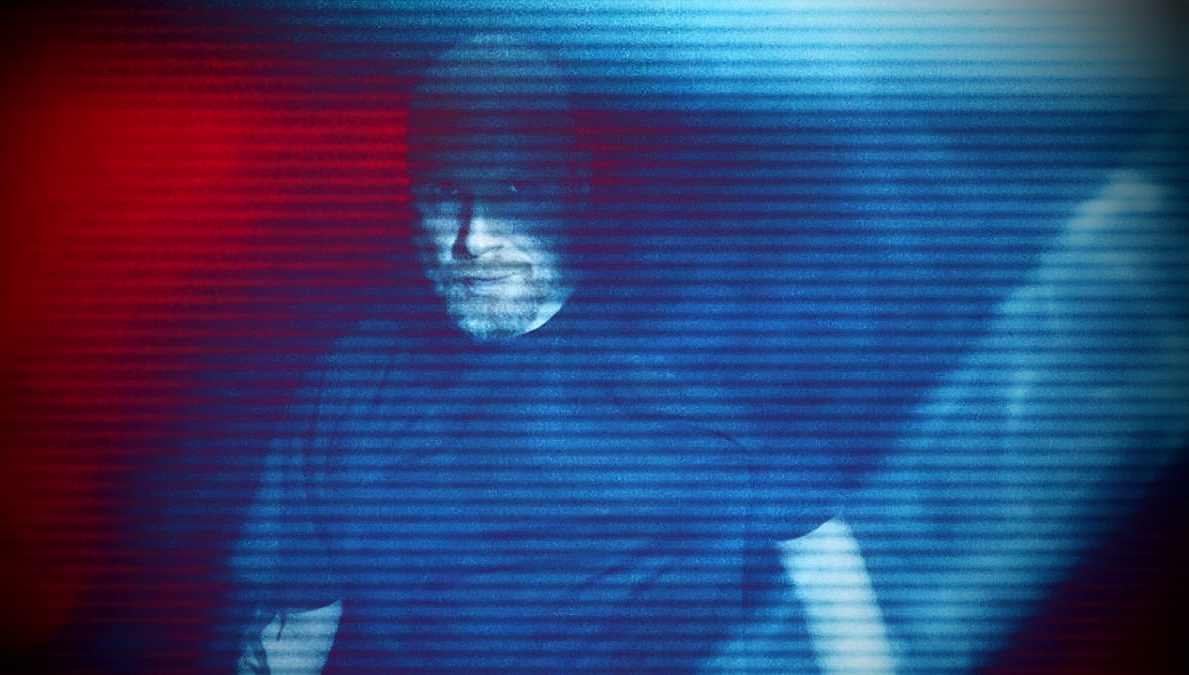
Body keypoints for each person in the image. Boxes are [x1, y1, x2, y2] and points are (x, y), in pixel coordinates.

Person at [232, 34, 890, 674]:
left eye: (514, 190)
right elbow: (293, 626)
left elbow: (823, 560)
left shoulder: (693, 354)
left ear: (574, 185)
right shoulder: (351, 383)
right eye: (445, 192)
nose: (473, 237)